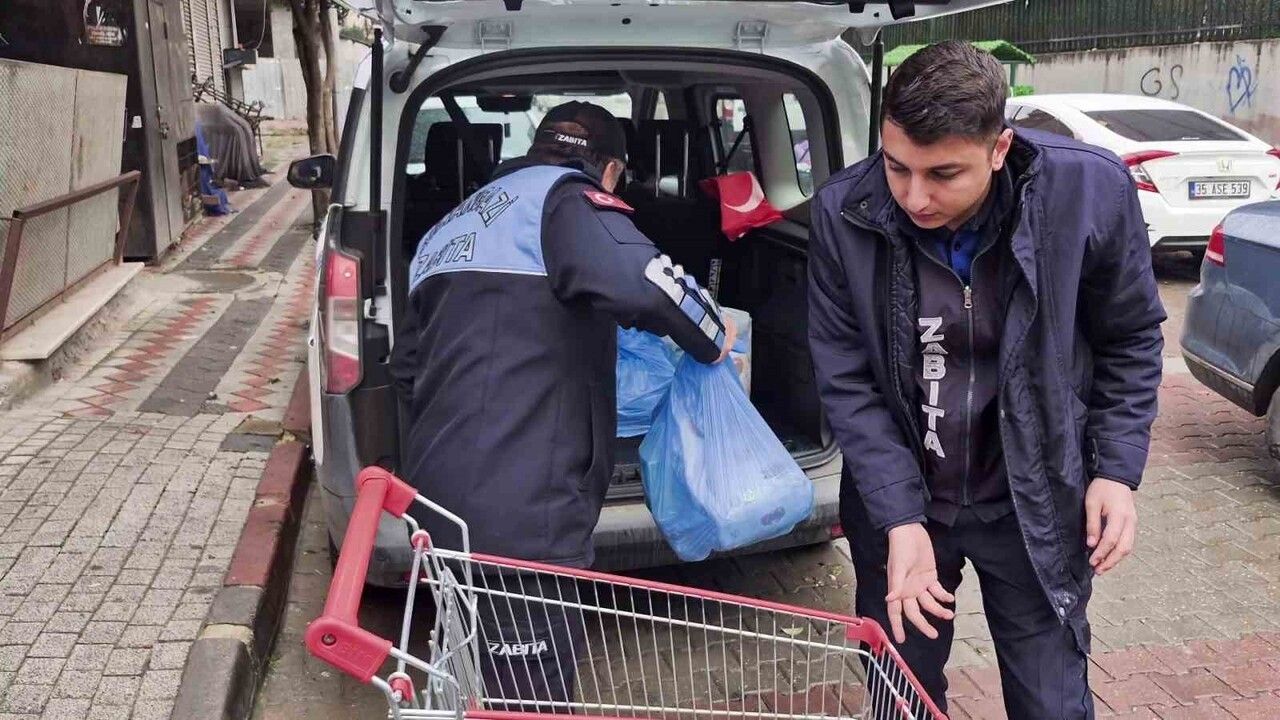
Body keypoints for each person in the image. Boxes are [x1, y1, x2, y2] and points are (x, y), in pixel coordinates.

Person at [807, 42, 1165, 719]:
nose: (914, 196)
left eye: (943, 173)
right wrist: (898, 518)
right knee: (901, 695)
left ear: (999, 148)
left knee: (1052, 702)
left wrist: (1116, 471)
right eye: (896, 166)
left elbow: (1132, 336)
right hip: (903, 502)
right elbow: (846, 379)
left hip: (1035, 501)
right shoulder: (842, 210)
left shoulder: (1087, 192)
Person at [390, 101, 735, 709]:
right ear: (611, 171)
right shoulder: (566, 202)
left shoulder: (451, 225)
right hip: (523, 519)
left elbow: (406, 371)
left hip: (437, 500)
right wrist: (712, 334)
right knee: (530, 699)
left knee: (472, 672)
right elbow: (649, 285)